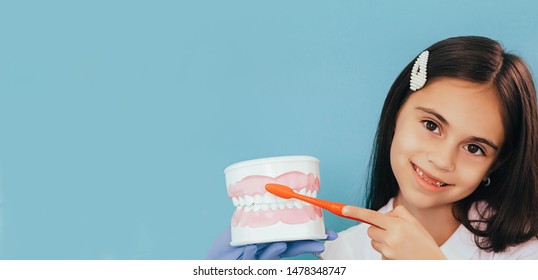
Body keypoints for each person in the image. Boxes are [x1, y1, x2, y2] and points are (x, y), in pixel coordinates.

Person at [207, 36, 538, 260]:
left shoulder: (526, 253)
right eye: (431, 126)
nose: (441, 160)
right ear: (396, 113)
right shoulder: (341, 256)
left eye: (474, 148)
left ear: (496, 164)